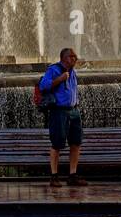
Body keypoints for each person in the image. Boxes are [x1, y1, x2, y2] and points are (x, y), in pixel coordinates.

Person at [38, 47, 88, 184]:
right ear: (64, 58)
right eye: (72, 56)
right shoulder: (53, 70)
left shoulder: (73, 72)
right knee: (57, 143)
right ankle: (54, 176)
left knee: (76, 142)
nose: (75, 58)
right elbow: (43, 86)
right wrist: (59, 79)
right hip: (59, 111)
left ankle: (72, 175)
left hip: (74, 111)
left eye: (75, 56)